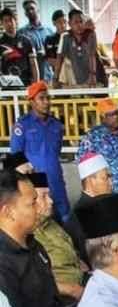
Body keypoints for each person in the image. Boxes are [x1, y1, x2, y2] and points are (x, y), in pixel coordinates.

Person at [0, 170, 76, 307]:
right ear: (8, 212)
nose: (40, 206)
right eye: (32, 202)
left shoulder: (34, 244)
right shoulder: (3, 262)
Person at [11, 82, 69, 223]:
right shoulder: (22, 125)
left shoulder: (57, 125)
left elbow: (57, 150)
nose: (46, 102)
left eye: (48, 98)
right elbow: (16, 155)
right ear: (32, 102)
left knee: (65, 218)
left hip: (56, 179)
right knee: (38, 221)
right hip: (35, 182)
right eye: (41, 98)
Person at [29, 172, 86, 301]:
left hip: (82, 282)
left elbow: (68, 247)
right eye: (44, 196)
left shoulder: (51, 223)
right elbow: (33, 280)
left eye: (49, 195)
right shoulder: (26, 234)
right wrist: (72, 289)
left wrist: (78, 261)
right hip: (60, 299)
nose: (51, 201)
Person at [64, 151, 113, 263]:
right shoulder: (82, 212)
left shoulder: (99, 204)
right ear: (91, 180)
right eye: (106, 178)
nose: (111, 183)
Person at [76, 98, 118, 193]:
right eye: (111, 115)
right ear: (102, 117)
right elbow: (83, 164)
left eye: (117, 113)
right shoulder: (92, 137)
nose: (115, 117)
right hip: (102, 191)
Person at [52, 9, 98, 89]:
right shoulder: (65, 36)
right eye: (76, 22)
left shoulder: (91, 34)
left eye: (81, 22)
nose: (79, 25)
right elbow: (60, 59)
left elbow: (92, 55)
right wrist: (55, 78)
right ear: (69, 24)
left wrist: (92, 75)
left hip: (94, 75)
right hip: (75, 77)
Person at [18, 0, 52, 83]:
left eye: (32, 8)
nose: (30, 11)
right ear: (25, 14)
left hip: (49, 76)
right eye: (27, 10)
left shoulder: (49, 31)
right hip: (31, 78)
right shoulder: (21, 33)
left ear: (38, 10)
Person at [0, 9, 38, 85]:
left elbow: (33, 64)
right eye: (5, 21)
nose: (9, 23)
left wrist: (36, 84)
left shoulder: (27, 40)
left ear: (15, 20)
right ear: (1, 23)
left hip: (26, 83)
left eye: (11, 20)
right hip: (7, 85)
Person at [43, 9, 66, 78]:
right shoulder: (50, 39)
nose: (63, 25)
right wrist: (67, 65)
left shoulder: (72, 37)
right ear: (54, 23)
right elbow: (50, 60)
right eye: (59, 22)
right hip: (57, 75)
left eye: (65, 22)